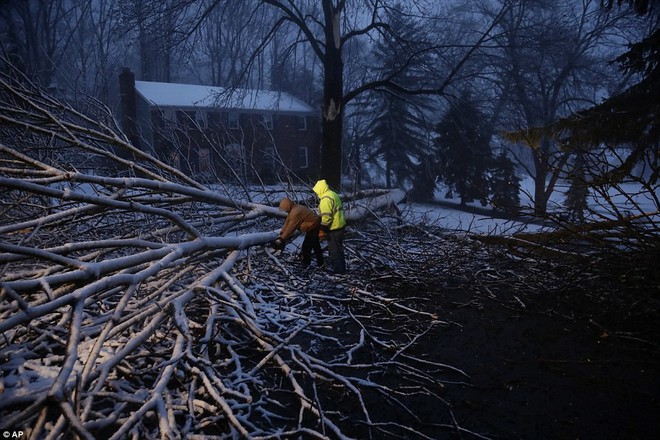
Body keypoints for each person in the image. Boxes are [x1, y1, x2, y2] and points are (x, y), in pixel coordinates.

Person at [273, 197, 324, 268]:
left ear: (287, 206)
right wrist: (282, 233)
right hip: (313, 226)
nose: (285, 211)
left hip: (313, 227)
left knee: (306, 247)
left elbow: (291, 226)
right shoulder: (294, 209)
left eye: (285, 209)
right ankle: (321, 263)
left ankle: (306, 264)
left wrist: (282, 238)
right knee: (316, 246)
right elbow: (287, 222)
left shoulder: (296, 212)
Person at [312, 179, 346, 274]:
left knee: (334, 251)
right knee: (339, 250)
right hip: (340, 227)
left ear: (320, 190)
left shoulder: (326, 199)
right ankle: (342, 269)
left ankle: (338, 272)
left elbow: (326, 217)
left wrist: (321, 230)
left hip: (334, 229)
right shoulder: (333, 194)